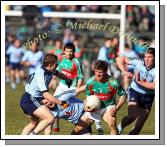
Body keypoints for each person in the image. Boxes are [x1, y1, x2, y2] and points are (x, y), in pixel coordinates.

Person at [20, 54, 72, 135]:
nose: (57, 66)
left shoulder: (48, 69)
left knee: (34, 123)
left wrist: (67, 79)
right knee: (50, 118)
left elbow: (57, 73)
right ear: (50, 65)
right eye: (56, 65)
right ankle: (32, 136)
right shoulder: (41, 74)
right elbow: (46, 95)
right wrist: (62, 103)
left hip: (29, 98)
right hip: (30, 99)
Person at [71, 60, 127, 135]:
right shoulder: (91, 82)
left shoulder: (113, 83)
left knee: (112, 124)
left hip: (107, 107)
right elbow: (88, 98)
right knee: (78, 129)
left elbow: (123, 95)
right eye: (96, 71)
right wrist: (85, 107)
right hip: (94, 108)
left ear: (106, 71)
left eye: (100, 72)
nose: (98, 75)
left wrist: (116, 108)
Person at [116, 47, 155, 135]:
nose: (147, 59)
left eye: (150, 57)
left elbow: (155, 86)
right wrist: (124, 71)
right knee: (132, 116)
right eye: (145, 56)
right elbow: (119, 58)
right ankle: (119, 128)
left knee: (137, 129)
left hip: (148, 97)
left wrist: (140, 82)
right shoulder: (139, 62)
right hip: (135, 92)